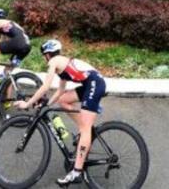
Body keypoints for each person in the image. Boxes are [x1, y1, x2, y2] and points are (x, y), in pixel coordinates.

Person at [17, 40, 107, 186]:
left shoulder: (54, 61)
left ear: (47, 54)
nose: (44, 59)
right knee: (64, 100)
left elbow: (45, 86)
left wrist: (27, 103)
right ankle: (85, 131)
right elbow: (60, 92)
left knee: (85, 129)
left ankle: (76, 172)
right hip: (91, 83)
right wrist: (47, 104)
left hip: (94, 84)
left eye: (43, 55)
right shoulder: (62, 64)